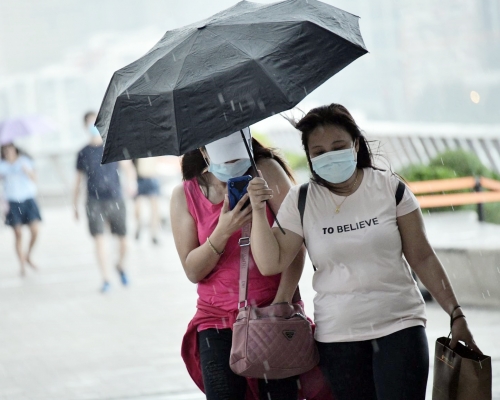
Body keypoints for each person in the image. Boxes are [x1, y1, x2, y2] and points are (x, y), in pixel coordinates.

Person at [247, 104, 482, 400]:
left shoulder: (390, 188)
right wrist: (257, 209)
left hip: (400, 327)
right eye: (318, 152)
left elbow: (422, 256)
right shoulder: (302, 200)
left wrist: (456, 314)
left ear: (356, 144)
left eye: (338, 146)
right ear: (309, 156)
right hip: (337, 338)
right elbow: (271, 262)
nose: (329, 156)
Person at [170, 128, 311, 400]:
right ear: (204, 153)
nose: (233, 167)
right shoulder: (184, 195)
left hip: (273, 312)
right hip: (216, 320)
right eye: (226, 161)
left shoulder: (267, 172)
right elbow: (193, 270)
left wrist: (282, 303)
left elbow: (296, 244)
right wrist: (223, 230)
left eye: (238, 159)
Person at [73, 111, 136, 293]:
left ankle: (120, 265)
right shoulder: (82, 153)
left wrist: (131, 184)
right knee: (99, 240)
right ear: (85, 126)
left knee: (124, 240)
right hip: (94, 202)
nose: (94, 126)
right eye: (90, 123)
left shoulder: (112, 146)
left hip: (116, 198)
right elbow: (77, 180)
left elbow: (128, 167)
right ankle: (106, 279)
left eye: (96, 122)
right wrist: (74, 205)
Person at [0, 143, 41, 276]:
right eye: (5, 149)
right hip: (12, 201)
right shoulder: (2, 165)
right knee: (18, 233)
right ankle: (22, 264)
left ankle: (28, 254)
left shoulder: (24, 161)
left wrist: (27, 170)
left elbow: (35, 178)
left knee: (35, 230)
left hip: (28, 199)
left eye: (10, 148)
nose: (8, 151)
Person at [132, 157, 161, 244]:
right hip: (140, 177)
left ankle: (154, 233)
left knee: (154, 209)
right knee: (138, 207)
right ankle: (138, 226)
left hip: (152, 176)